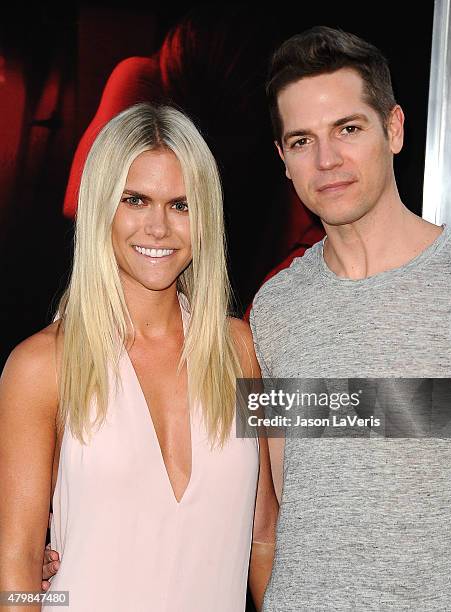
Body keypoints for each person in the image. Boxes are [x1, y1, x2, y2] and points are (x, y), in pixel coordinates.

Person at [0, 103, 277, 612]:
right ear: (102, 206)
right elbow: (15, 566)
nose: (158, 227)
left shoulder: (239, 350)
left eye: (181, 204)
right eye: (136, 200)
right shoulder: (41, 367)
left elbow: (263, 532)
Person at [246, 26, 451, 610]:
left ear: (395, 129)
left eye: (348, 129)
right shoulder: (273, 308)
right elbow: (269, 511)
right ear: (283, 159)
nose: (327, 160)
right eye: (302, 141)